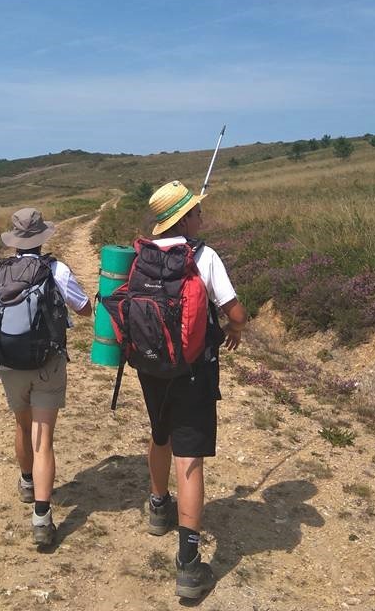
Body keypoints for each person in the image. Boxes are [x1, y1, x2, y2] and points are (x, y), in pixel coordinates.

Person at [140, 180, 248, 598]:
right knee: (190, 458)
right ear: (184, 218)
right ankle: (188, 565)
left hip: (151, 368)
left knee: (160, 433)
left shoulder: (143, 253)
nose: (202, 215)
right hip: (192, 371)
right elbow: (235, 310)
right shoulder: (204, 256)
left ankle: (157, 507)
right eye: (197, 211)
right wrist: (235, 328)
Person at [0, 207, 92, 546]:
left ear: (15, 242)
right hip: (47, 364)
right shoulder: (56, 269)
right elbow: (83, 308)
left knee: (22, 427)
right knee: (43, 439)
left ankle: (26, 483)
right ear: (41, 239)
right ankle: (41, 518)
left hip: (9, 363)